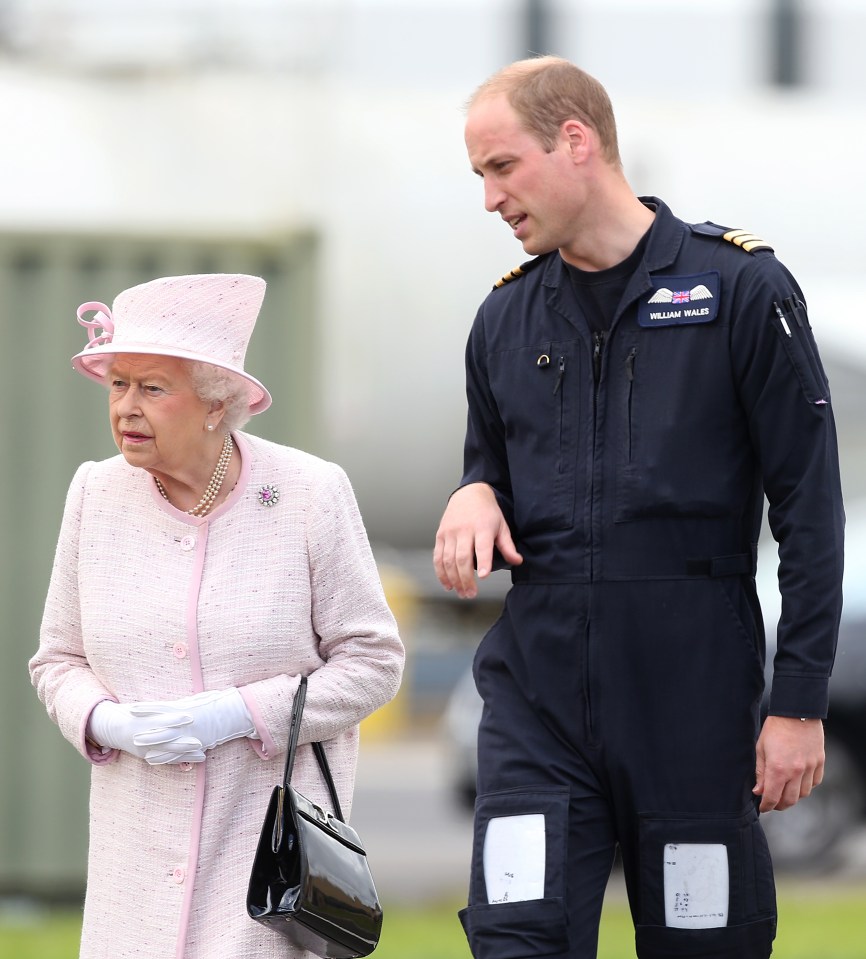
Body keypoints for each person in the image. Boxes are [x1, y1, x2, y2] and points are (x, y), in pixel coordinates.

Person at [433, 56, 844, 959]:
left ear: (576, 141)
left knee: (705, 944)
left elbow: (810, 507)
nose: (492, 198)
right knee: (515, 939)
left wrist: (800, 702)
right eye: (481, 176)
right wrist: (472, 491)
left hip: (691, 699)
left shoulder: (739, 289)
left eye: (503, 168)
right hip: (537, 701)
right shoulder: (503, 321)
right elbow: (488, 464)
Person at [30, 273, 404, 959]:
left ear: (215, 403)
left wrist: (236, 713)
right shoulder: (94, 492)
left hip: (262, 866)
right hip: (132, 877)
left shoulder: (309, 494)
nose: (126, 408)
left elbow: (374, 663)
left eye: (153, 388)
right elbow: (57, 658)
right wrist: (105, 720)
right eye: (119, 385)